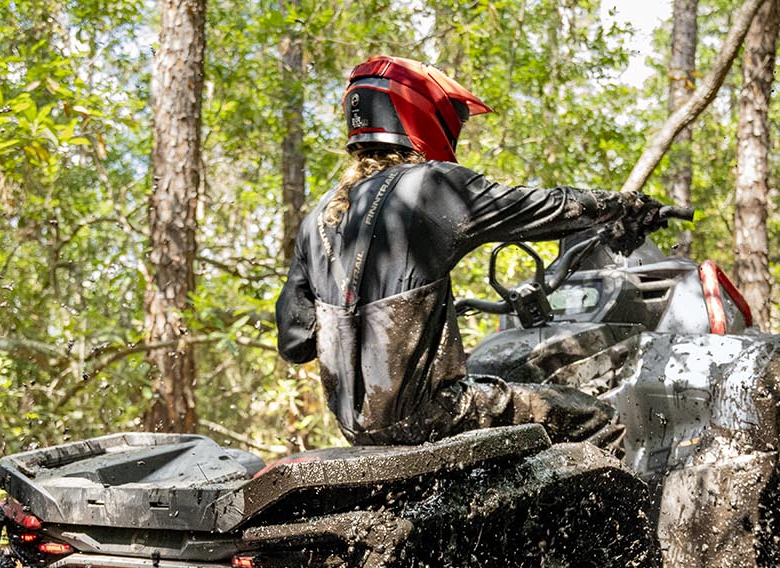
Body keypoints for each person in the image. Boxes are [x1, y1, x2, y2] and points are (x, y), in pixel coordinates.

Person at [275, 55, 666, 449]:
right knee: (596, 420)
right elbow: (541, 209)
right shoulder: (429, 186)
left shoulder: (320, 216)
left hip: (358, 434)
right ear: (421, 113)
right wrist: (623, 206)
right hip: (436, 416)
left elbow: (296, 343)